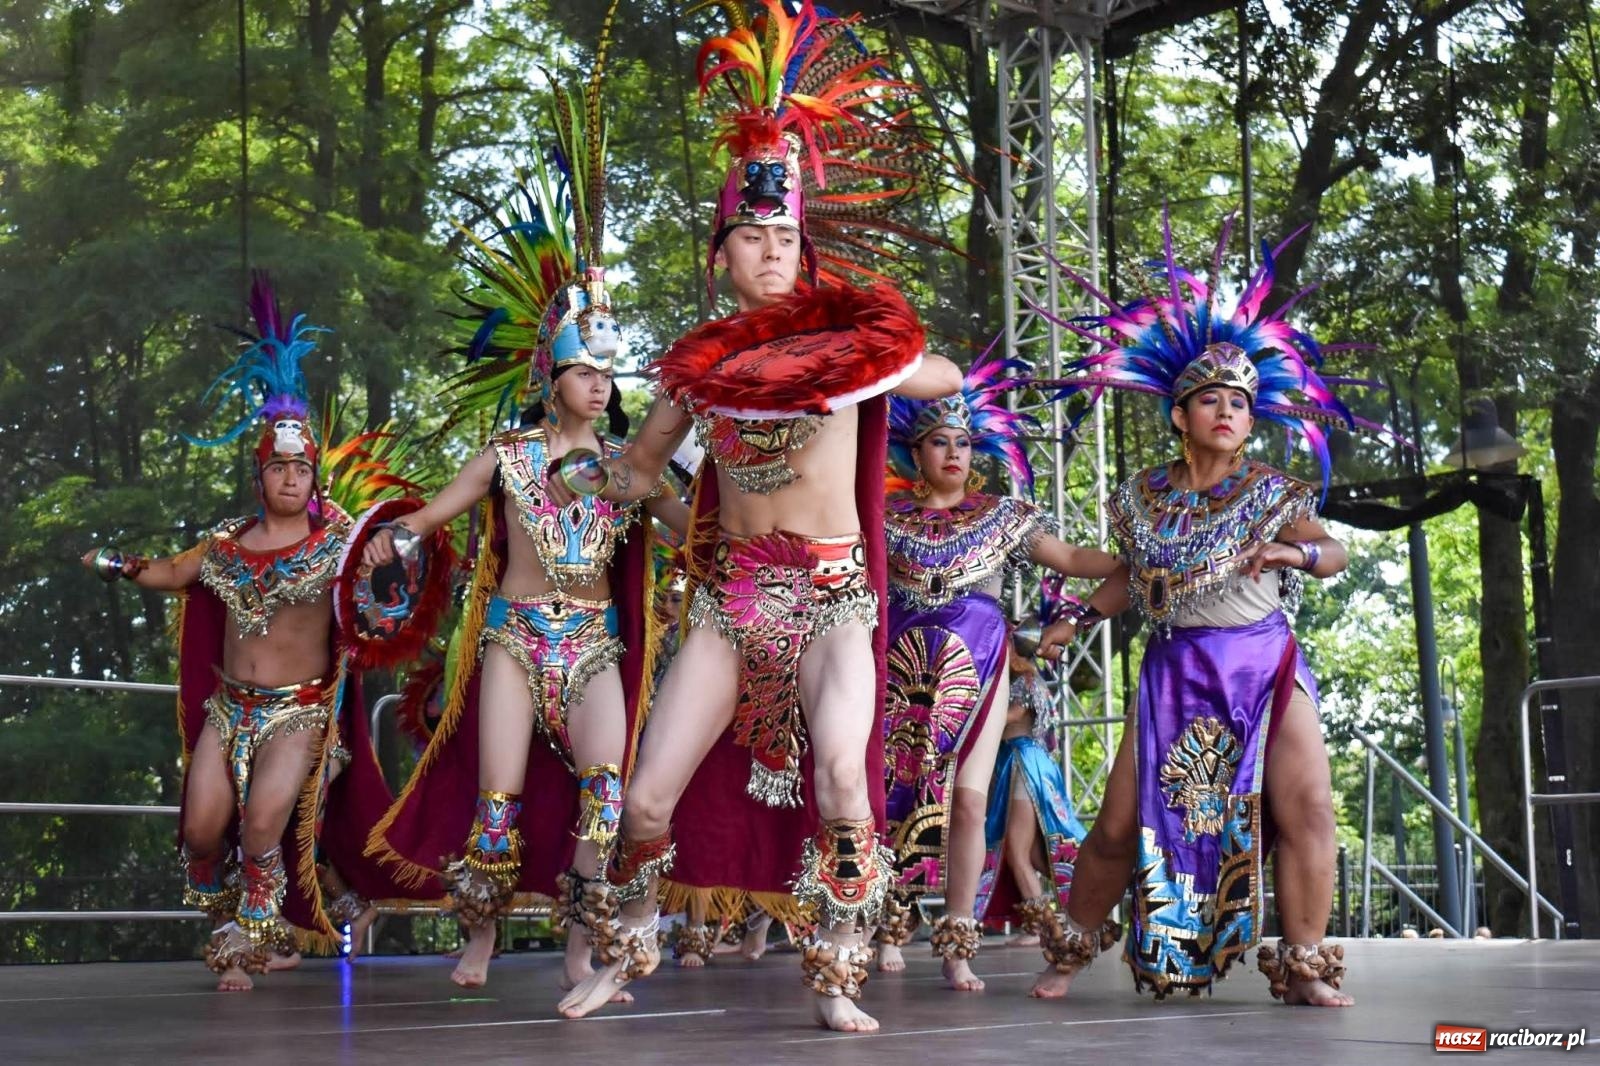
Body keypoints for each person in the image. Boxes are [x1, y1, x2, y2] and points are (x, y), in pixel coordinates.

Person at [554, 0, 962, 1032]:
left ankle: (836, 971)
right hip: (730, 605)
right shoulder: (698, 369)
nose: (772, 251)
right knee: (646, 797)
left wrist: (874, 358)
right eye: (752, 235)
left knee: (842, 782)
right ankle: (627, 946)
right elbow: (642, 472)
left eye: (786, 235)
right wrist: (583, 478)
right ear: (722, 252)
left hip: (831, 600)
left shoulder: (853, 345)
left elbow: (944, 378)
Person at [364, 29, 689, 993]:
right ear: (554, 377)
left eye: (609, 374)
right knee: (496, 801)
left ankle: (582, 943)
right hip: (511, 636)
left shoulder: (631, 470)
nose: (601, 385)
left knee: (605, 799)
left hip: (593, 641)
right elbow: (434, 514)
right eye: (586, 370)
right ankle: (480, 940)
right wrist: (393, 540)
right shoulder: (507, 456)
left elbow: (697, 534)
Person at [1029, 213, 1379, 1006]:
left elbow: (1334, 553)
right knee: (1118, 824)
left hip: (1263, 663)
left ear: (1253, 421)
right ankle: (1071, 950)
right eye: (1210, 400)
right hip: (1177, 670)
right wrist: (1076, 621)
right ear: (1180, 415)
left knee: (1307, 808)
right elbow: (1130, 579)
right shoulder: (1142, 498)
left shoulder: (1272, 492)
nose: (1227, 412)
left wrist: (1293, 555)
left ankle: (1305, 966)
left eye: (1240, 404)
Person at [80, 277, 422, 990]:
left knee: (264, 823)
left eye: (301, 468)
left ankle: (249, 944)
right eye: (278, 467)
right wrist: (116, 563)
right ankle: (232, 915)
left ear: (314, 477)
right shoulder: (224, 547)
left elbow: (382, 607)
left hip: (300, 712)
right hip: (229, 708)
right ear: (259, 475)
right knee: (202, 830)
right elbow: (170, 572)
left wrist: (387, 567)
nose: (291, 478)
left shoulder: (340, 544)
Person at [874, 357, 1119, 990]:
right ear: (916, 452)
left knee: (967, 801)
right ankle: (884, 926)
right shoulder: (883, 516)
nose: (954, 453)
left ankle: (957, 942)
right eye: (940, 442)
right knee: (893, 800)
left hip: (980, 671)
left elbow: (1071, 557)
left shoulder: (1003, 516)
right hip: (901, 673)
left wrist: (1137, 556)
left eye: (963, 442)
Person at [973, 622, 1091, 969]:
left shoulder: (1024, 681)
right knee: (1038, 856)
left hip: (1025, 763)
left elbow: (1011, 717)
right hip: (1023, 763)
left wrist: (974, 712)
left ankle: (1042, 927)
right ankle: (1068, 910)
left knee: (1017, 851)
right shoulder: (1023, 680)